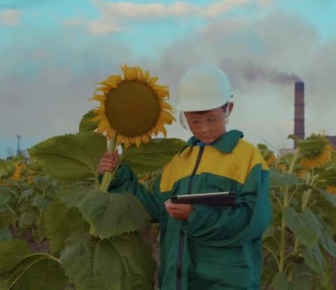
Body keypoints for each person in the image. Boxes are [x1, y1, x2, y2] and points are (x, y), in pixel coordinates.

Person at [97, 65, 272, 290]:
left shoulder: (246, 156)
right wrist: (118, 176)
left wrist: (196, 216)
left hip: (226, 281)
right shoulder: (179, 160)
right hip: (178, 282)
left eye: (211, 119)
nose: (204, 129)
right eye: (195, 122)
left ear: (228, 109)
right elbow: (154, 209)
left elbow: (252, 219)